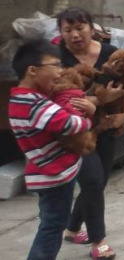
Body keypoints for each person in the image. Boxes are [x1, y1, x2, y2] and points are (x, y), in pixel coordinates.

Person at [56, 7, 124, 260]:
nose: (75, 34)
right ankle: (98, 241)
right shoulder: (57, 59)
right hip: (76, 133)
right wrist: (99, 100)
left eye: (80, 28)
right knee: (92, 181)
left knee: (99, 182)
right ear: (61, 33)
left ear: (91, 28)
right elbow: (62, 99)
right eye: (68, 30)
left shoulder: (110, 54)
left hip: (107, 127)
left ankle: (72, 227)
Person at [9, 40, 96, 260]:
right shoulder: (34, 103)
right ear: (32, 70)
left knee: (52, 221)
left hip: (46, 172)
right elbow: (69, 125)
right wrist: (88, 118)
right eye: (55, 65)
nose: (60, 72)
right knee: (53, 225)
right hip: (55, 176)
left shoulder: (19, 99)